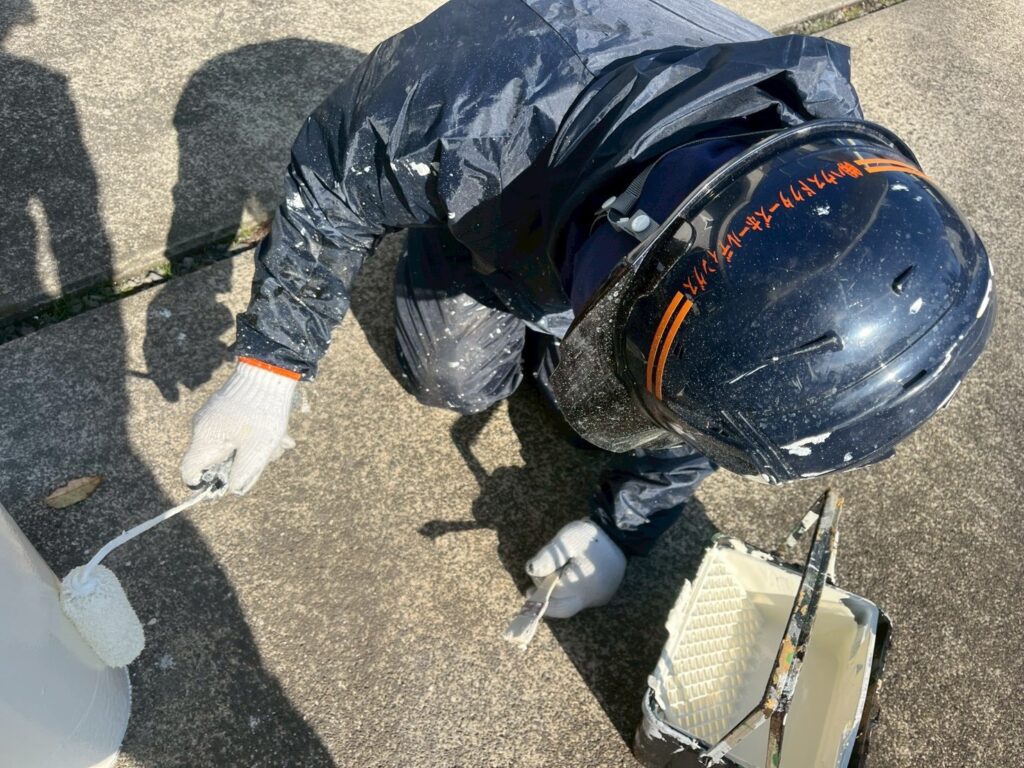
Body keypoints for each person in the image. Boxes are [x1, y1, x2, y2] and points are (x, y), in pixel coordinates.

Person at [181, 0, 995, 620]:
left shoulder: (824, 154)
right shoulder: (454, 118)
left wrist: (622, 528)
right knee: (452, 378)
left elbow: (738, 373)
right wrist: (269, 366)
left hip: (594, 195)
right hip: (513, 148)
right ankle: (450, 240)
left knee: (661, 380)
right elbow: (330, 184)